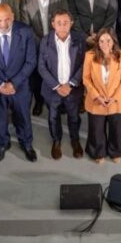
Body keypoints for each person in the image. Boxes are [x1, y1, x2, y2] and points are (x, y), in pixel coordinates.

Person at [0, 4, 37, 163]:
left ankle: (26, 144)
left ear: (13, 17)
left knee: (23, 116)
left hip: (20, 85)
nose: (3, 24)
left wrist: (14, 83)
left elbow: (31, 62)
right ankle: (2, 144)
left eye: (7, 19)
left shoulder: (25, 32)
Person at [20, 0, 69, 116]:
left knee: (57, 73)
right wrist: (41, 43)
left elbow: (64, 21)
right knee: (36, 76)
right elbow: (25, 25)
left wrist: (53, 41)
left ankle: (60, 102)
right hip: (35, 43)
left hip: (57, 42)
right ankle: (39, 101)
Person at [37, 10, 86, 160]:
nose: (62, 26)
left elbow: (84, 64)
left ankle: (75, 140)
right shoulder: (45, 41)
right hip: (53, 89)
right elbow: (41, 67)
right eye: (59, 23)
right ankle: (56, 141)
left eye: (66, 23)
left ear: (71, 23)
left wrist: (71, 84)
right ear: (53, 24)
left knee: (74, 116)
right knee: (53, 117)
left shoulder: (79, 39)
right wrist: (58, 86)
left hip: (73, 89)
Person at [82, 27, 121, 164]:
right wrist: (97, 96)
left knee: (117, 128)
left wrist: (114, 97)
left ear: (114, 41)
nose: (105, 44)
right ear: (97, 42)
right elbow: (86, 79)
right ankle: (98, 151)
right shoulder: (89, 56)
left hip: (116, 100)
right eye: (101, 41)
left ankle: (116, 151)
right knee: (96, 129)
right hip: (96, 100)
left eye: (108, 40)